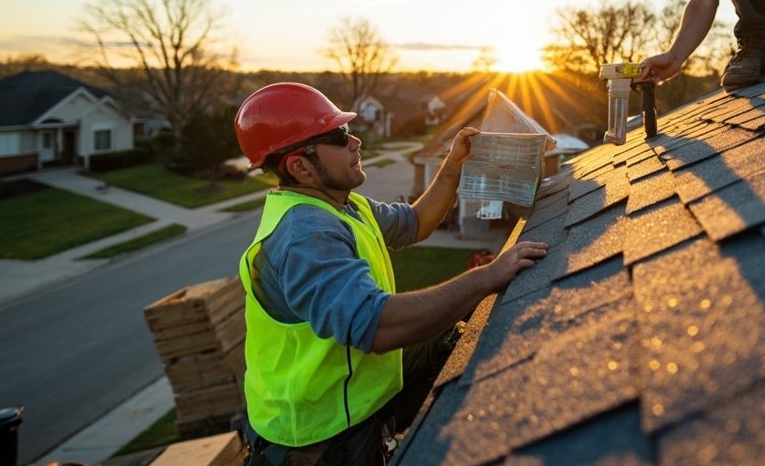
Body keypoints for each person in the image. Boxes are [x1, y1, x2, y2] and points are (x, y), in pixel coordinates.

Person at [233, 82, 549, 466]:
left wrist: (452, 166)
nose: (356, 142)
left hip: (348, 414)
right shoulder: (306, 237)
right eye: (339, 135)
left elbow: (415, 222)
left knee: (450, 341)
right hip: (316, 443)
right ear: (300, 166)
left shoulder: (343, 206)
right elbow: (377, 326)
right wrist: (486, 278)